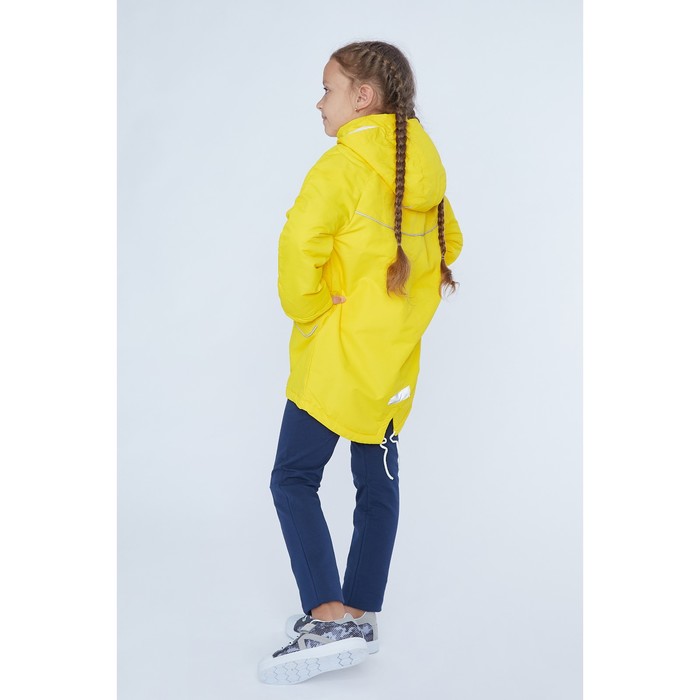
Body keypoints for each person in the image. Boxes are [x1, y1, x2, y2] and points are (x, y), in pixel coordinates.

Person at [258, 40, 463, 685]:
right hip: (393, 366)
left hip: (337, 361)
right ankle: (360, 612)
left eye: (328, 88)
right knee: (376, 485)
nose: (320, 102)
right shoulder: (424, 167)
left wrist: (313, 308)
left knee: (293, 478)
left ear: (362, 97)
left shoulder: (341, 167)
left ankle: (327, 618)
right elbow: (450, 243)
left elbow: (298, 245)